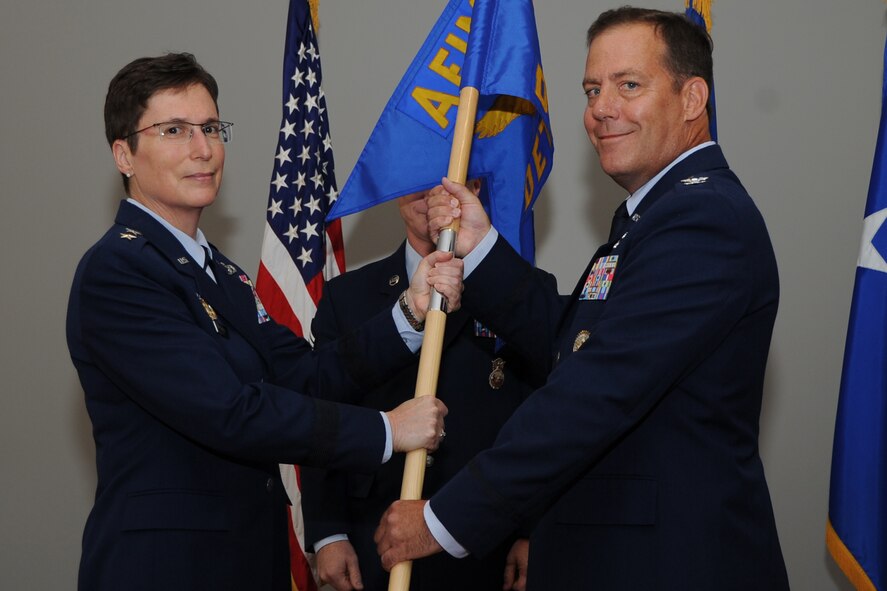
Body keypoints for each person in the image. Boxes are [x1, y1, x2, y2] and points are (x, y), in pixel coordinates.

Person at [375, 7, 790, 590]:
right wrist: (481, 247)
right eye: (593, 89)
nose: (601, 109)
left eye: (629, 85)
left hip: (666, 566)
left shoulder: (703, 219)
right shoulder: (653, 216)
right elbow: (572, 345)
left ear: (693, 98)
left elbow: (593, 393)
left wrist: (446, 519)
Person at [66, 52, 457, 591]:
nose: (202, 149)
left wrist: (409, 312)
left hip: (247, 561)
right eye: (174, 130)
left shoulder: (219, 274)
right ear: (123, 154)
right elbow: (229, 411)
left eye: (210, 128)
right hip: (167, 568)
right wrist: (386, 431)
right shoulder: (118, 271)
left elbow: (307, 375)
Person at [301, 187, 545, 591]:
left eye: (443, 178)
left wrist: (532, 530)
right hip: (372, 535)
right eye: (415, 178)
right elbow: (321, 410)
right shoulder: (349, 297)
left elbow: (542, 420)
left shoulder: (518, 293)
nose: (429, 193)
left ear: (474, 189)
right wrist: (329, 533)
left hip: (487, 540)